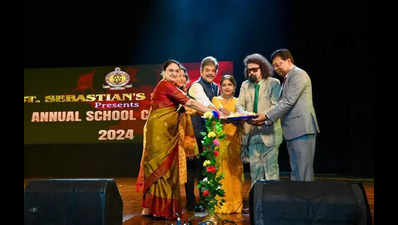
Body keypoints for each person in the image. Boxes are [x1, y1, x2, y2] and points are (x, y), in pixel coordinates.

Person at [136, 59, 211, 220]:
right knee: (162, 170)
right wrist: (213, 114)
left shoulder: (171, 87)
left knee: (162, 170)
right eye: (171, 71)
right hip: (160, 135)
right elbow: (190, 102)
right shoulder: (165, 85)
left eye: (177, 71)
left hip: (167, 135)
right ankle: (161, 210)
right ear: (163, 72)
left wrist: (208, 110)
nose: (175, 73)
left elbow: (188, 108)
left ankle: (150, 208)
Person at [260, 49, 320, 181]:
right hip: (294, 131)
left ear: (289, 61)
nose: (276, 68)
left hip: (302, 129)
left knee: (303, 173)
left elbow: (288, 102)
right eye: (274, 66)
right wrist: (265, 117)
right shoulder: (287, 79)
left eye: (278, 64)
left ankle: (306, 200)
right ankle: (299, 199)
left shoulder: (298, 75)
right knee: (297, 171)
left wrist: (266, 117)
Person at [237, 53, 283, 185]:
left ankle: (273, 204)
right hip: (252, 134)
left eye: (255, 69)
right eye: (249, 70)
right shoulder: (245, 85)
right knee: (255, 173)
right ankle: (256, 204)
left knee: (271, 172)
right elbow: (239, 105)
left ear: (262, 68)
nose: (252, 72)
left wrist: (262, 117)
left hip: (270, 133)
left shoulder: (274, 83)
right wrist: (246, 114)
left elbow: (276, 106)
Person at [186, 56, 224, 212]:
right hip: (193, 134)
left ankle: (204, 198)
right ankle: (190, 202)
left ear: (216, 72)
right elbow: (206, 104)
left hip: (207, 134)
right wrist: (221, 113)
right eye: (206, 70)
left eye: (212, 71)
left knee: (204, 169)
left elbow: (218, 104)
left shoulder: (215, 87)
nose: (209, 73)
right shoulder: (196, 86)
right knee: (192, 170)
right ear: (201, 71)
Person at [211, 74, 244, 214]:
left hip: (234, 141)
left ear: (234, 87)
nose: (227, 87)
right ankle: (221, 204)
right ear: (220, 87)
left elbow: (241, 119)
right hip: (220, 140)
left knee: (235, 171)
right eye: (224, 85)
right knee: (221, 172)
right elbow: (215, 118)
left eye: (229, 85)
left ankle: (236, 204)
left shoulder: (238, 101)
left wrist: (231, 115)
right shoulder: (215, 100)